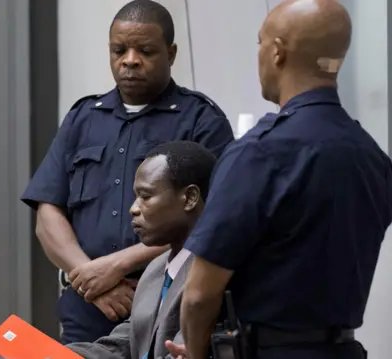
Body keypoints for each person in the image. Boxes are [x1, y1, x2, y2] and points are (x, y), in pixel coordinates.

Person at [167, 1, 392, 359]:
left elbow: (198, 295)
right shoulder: (372, 158)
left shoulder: (257, 155)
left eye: (259, 43)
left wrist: (195, 353)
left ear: (276, 52)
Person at [21, 0, 234, 344]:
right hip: (87, 304)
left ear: (171, 53)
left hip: (165, 301)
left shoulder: (201, 120)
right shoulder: (84, 117)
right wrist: (90, 279)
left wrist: (117, 266)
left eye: (146, 50)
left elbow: (215, 216)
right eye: (119, 50)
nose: (130, 60)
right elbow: (48, 213)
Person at [0, 141, 217, 358]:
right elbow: (117, 347)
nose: (133, 209)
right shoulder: (155, 271)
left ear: (189, 198)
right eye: (135, 197)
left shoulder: (216, 276)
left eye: (146, 196)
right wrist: (31, 352)